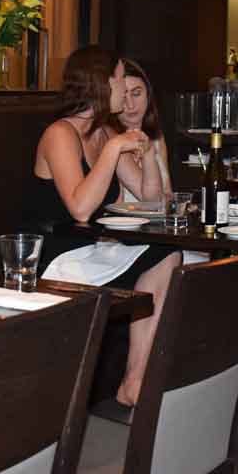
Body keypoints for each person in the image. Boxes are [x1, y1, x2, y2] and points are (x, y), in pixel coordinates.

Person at [29, 45, 179, 408]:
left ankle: (135, 380)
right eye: (119, 79)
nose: (124, 90)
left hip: (91, 248)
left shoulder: (104, 133)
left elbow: (150, 198)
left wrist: (149, 154)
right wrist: (113, 151)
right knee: (163, 257)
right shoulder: (60, 133)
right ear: (101, 83)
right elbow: (80, 208)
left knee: (167, 254)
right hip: (55, 254)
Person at [117, 59, 171, 210]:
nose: (130, 105)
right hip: (123, 222)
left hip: (156, 220)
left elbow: (167, 193)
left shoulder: (156, 137)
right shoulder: (111, 139)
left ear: (148, 93)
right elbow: (151, 199)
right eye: (123, 96)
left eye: (136, 94)